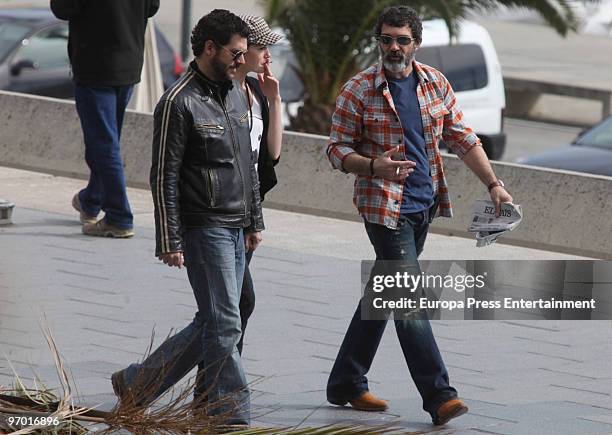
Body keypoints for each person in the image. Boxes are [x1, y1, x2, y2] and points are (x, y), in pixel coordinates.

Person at [325, 5, 513, 426]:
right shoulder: (360, 89)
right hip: (384, 210)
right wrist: (374, 165)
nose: (394, 47)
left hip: (424, 206)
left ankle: (345, 382)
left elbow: (463, 139)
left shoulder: (435, 83)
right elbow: (335, 149)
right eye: (387, 39)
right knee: (408, 300)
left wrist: (494, 184)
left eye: (402, 40)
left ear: (417, 44)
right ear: (379, 41)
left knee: (385, 290)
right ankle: (439, 395)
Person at [109, 9, 264, 426]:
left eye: (244, 53)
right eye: (235, 53)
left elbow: (247, 164)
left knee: (219, 317)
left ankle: (137, 383)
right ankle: (227, 413)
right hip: (203, 225)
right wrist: (169, 239)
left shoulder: (235, 91)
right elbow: (163, 176)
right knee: (227, 322)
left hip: (236, 223)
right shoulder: (178, 102)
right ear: (209, 48)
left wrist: (255, 221)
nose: (240, 61)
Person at [50, 0, 160, 238]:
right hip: (129, 64)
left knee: (103, 146)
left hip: (95, 66)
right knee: (106, 142)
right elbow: (152, 7)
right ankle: (91, 201)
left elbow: (62, 8)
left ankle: (119, 216)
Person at [234, 15, 283, 354]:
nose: (267, 55)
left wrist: (275, 100)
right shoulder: (220, 94)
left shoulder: (256, 91)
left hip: (249, 208)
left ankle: (213, 390)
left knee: (233, 307)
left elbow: (272, 155)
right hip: (224, 212)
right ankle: (219, 388)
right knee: (238, 304)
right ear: (241, 49)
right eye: (261, 47)